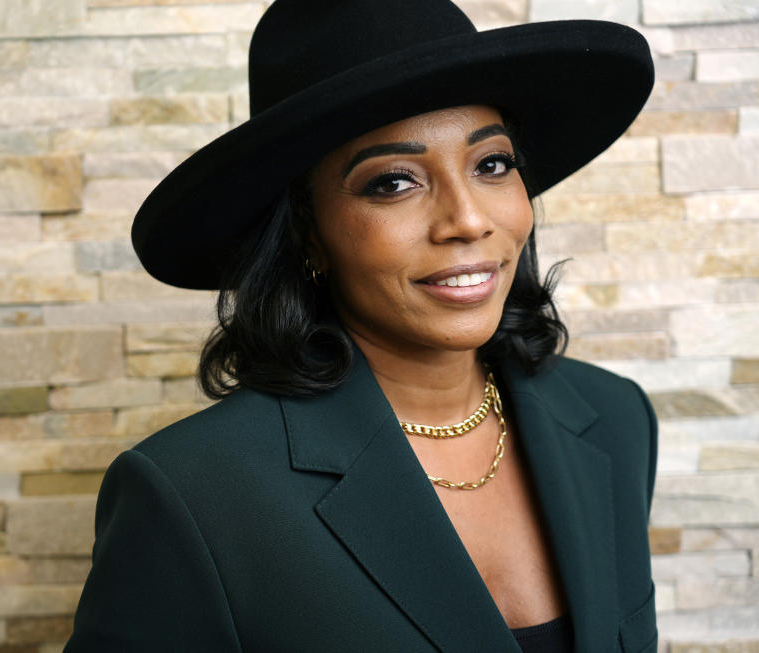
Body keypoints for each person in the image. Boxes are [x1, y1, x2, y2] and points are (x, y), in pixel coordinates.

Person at [65, 1, 659, 651]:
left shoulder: (615, 419)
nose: (466, 219)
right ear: (308, 235)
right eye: (393, 182)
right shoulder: (192, 497)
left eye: (491, 163)